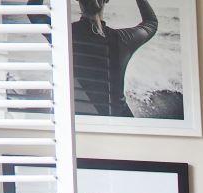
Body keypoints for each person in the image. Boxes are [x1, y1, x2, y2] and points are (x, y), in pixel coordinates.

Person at [30, 0, 158, 118]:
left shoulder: (64, 34)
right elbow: (151, 23)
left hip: (77, 125)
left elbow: (33, 11)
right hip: (117, 126)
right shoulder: (122, 39)